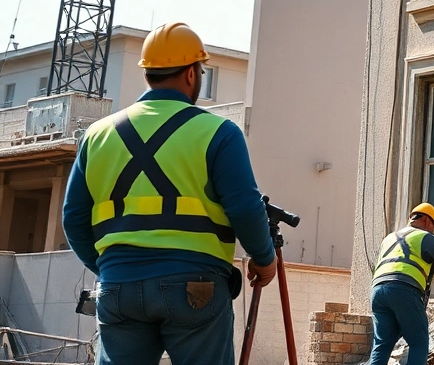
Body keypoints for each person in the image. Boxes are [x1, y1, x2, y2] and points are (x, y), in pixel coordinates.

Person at [62, 22, 277, 364]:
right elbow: (245, 208)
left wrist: (111, 268)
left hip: (119, 285)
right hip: (196, 285)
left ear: (147, 73)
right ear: (192, 74)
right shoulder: (219, 132)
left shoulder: (97, 136)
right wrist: (265, 260)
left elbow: (73, 220)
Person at [369, 203, 434, 365]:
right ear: (425, 220)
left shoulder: (389, 238)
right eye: (433, 226)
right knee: (418, 343)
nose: (433, 231)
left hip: (377, 292)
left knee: (382, 344)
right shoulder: (424, 237)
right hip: (403, 290)